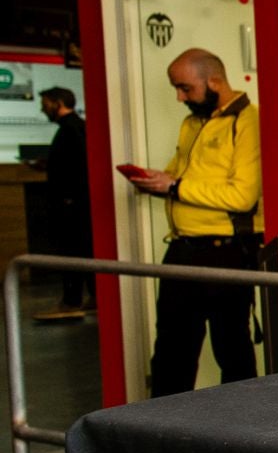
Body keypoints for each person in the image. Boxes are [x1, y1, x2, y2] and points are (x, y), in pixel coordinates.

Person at [122, 48, 264, 396]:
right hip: (183, 248)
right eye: (176, 88)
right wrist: (158, 180)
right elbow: (180, 175)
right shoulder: (192, 122)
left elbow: (242, 197)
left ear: (213, 81)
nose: (179, 96)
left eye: (185, 88)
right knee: (171, 350)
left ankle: (241, 431)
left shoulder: (249, 121)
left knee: (232, 349)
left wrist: (175, 186)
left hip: (227, 252)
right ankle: (163, 430)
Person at [32, 87, 92, 321]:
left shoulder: (71, 129)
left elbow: (77, 165)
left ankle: (72, 300)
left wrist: (69, 197)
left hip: (72, 206)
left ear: (58, 103)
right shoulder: (74, 128)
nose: (42, 108)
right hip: (75, 203)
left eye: (46, 103)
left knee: (73, 252)